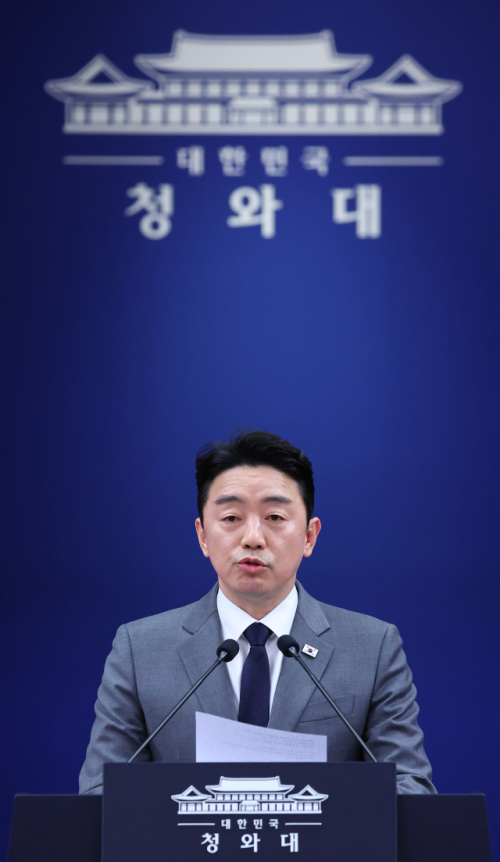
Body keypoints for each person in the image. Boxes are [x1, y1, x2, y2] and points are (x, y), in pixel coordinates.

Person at [79, 430, 435, 795]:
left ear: (309, 536)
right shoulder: (140, 649)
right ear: (202, 535)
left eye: (275, 517)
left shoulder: (373, 648)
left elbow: (410, 788)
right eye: (231, 517)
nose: (253, 537)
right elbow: (101, 793)